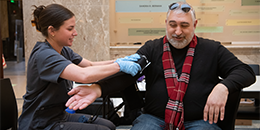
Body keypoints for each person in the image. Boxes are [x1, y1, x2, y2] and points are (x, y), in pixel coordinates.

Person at [65, 1, 256, 130]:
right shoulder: (151, 48)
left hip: (200, 121)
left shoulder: (212, 49)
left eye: (184, 25)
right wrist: (97, 89)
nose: (177, 31)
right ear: (165, 23)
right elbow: (126, 74)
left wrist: (223, 86)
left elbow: (245, 72)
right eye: (172, 24)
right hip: (154, 119)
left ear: (195, 24)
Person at [18, 4, 141, 130]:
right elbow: (84, 75)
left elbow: (90, 65)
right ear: (52, 31)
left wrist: (119, 60)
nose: (75, 33)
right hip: (40, 123)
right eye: (70, 29)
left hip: (58, 115)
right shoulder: (44, 55)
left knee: (109, 125)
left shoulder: (63, 50)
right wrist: (119, 66)